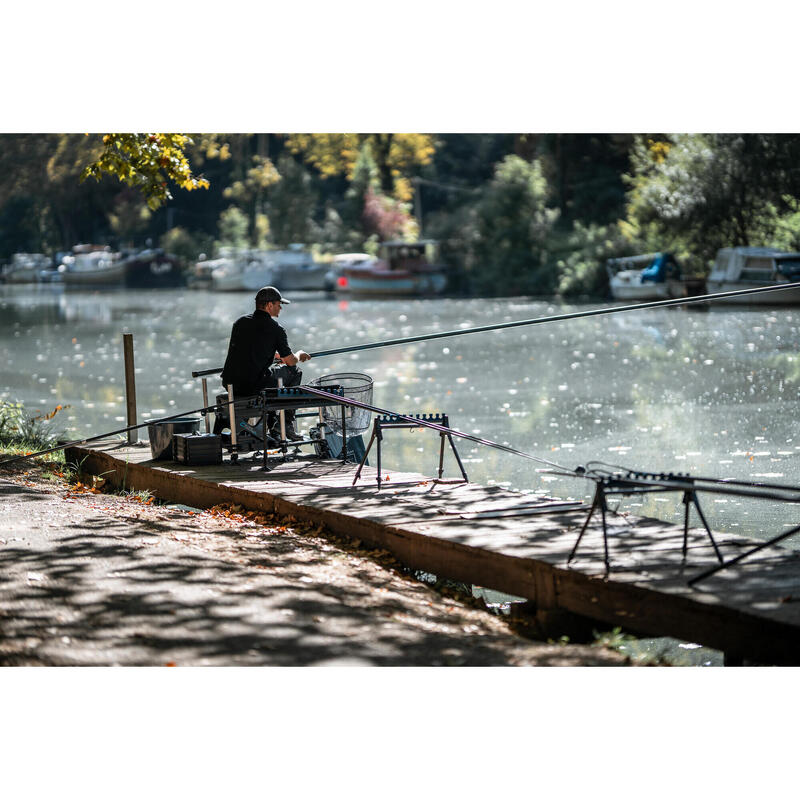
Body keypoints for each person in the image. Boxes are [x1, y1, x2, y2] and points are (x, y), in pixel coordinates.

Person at [219, 286, 311, 442]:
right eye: (278, 304)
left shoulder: (240, 322)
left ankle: (274, 423)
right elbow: (290, 361)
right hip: (254, 385)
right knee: (295, 371)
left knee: (273, 377)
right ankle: (285, 424)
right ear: (269, 305)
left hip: (231, 383)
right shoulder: (276, 329)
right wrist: (299, 354)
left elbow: (247, 349)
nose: (280, 307)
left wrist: (274, 355)